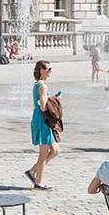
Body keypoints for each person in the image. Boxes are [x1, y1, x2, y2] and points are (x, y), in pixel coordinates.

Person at [26, 61, 60, 190]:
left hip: (40, 119)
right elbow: (43, 105)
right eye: (49, 69)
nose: (51, 71)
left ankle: (32, 171)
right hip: (43, 120)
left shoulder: (39, 85)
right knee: (44, 153)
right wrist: (54, 101)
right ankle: (38, 182)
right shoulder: (42, 86)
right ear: (41, 70)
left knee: (55, 150)